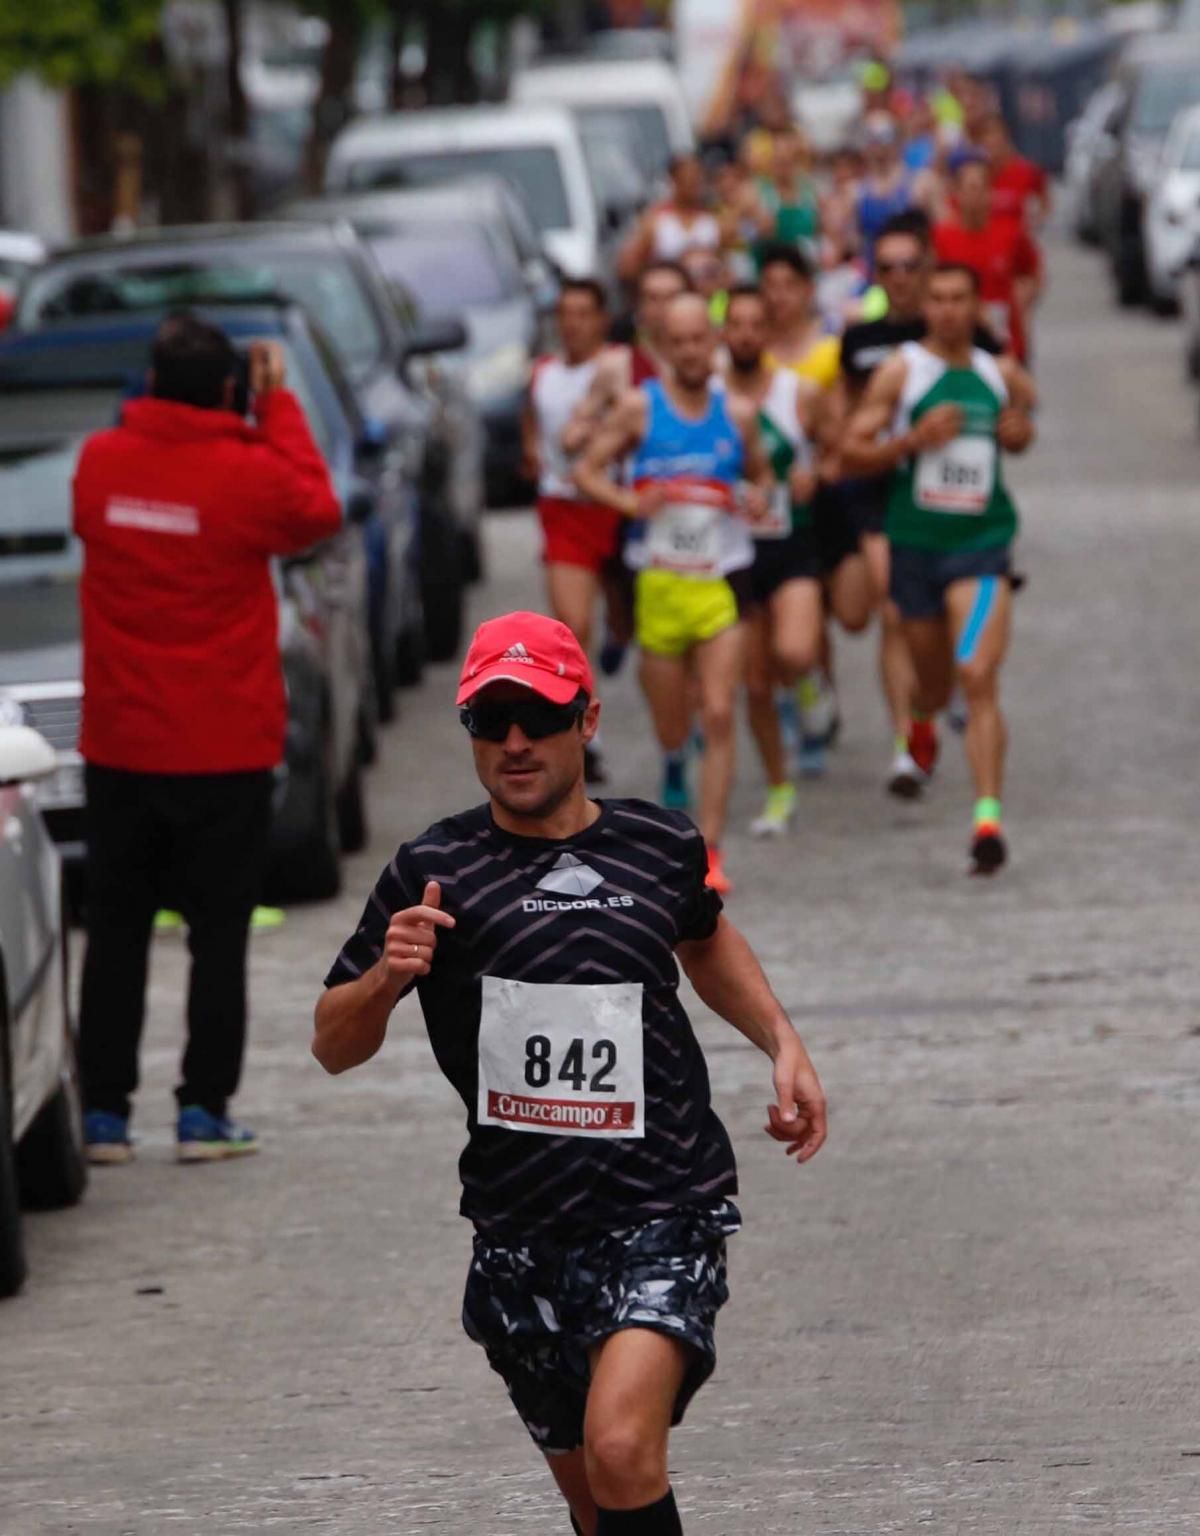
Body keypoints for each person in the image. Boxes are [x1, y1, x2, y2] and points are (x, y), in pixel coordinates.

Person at [313, 609, 828, 1536]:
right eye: (489, 720)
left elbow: (704, 940)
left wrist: (782, 1044)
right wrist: (388, 976)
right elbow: (333, 1044)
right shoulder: (434, 870)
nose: (515, 742)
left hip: (661, 1206)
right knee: (602, 1502)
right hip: (520, 1233)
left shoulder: (658, 846)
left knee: (625, 1451)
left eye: (539, 716)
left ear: (586, 719)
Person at [74, 312, 342, 1163]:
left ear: (150, 383)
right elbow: (317, 508)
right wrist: (278, 408)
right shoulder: (250, 475)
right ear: (232, 387)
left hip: (121, 742)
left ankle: (104, 1116)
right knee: (217, 936)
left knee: (114, 929)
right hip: (223, 746)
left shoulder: (98, 465)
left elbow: (106, 516)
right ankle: (201, 1113)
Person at [574, 294, 771, 894]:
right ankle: (673, 758)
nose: (690, 351)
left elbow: (760, 473)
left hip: (719, 582)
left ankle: (708, 849)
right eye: (677, 341)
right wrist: (630, 503)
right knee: (672, 725)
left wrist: (759, 496)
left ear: (712, 343)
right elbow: (586, 469)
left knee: (717, 710)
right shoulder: (639, 408)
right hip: (657, 586)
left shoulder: (736, 413)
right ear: (662, 348)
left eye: (697, 340)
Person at [843, 263, 1037, 873]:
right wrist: (910, 441)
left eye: (960, 298)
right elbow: (850, 449)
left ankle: (987, 821)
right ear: (925, 305)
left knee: (976, 672)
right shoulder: (903, 372)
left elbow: (1025, 425)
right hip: (915, 544)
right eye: (939, 299)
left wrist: (1018, 432)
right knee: (931, 680)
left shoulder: (997, 372)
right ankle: (921, 722)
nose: (949, 310)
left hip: (982, 542)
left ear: (978, 305)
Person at [721, 286, 822, 836]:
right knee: (755, 686)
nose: (744, 334)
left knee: (796, 647)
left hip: (792, 545)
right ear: (723, 333)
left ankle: (807, 684)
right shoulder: (707, 399)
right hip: (732, 553)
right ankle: (779, 788)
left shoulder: (797, 391)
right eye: (735, 324)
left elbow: (834, 449)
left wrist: (816, 475)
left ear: (768, 332)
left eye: (755, 324)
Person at [523, 279, 622, 783]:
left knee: (630, 623)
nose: (573, 322)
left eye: (584, 312)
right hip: (564, 507)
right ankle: (590, 737)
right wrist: (534, 456)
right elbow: (531, 425)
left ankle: (619, 636)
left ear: (603, 319)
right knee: (573, 623)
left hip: (621, 506)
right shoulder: (542, 373)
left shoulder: (621, 367)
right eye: (565, 312)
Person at [934, 155, 1042, 364]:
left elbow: (1032, 273)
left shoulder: (1011, 233)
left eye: (981, 188)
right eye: (969, 188)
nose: (975, 195)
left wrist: (1022, 302)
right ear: (956, 193)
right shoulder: (941, 237)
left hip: (1004, 341)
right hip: (958, 345)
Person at [618, 153, 723, 284]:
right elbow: (628, 267)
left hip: (710, 296)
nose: (693, 184)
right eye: (687, 179)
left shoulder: (714, 218)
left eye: (697, 178)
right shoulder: (655, 219)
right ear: (673, 179)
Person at [854, 114, 937, 275]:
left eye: (883, 139)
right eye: (872, 141)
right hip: (876, 272)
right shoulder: (856, 191)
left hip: (912, 271)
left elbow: (938, 232)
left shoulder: (921, 182)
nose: (879, 148)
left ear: (897, 142)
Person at [978, 112, 1052, 231]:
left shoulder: (1026, 170)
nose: (990, 141)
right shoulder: (974, 172)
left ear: (1006, 137)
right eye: (985, 136)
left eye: (996, 135)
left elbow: (1045, 202)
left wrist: (1034, 224)